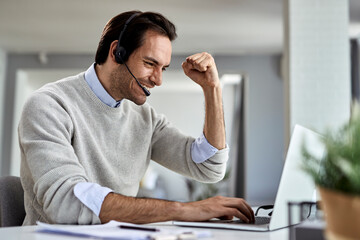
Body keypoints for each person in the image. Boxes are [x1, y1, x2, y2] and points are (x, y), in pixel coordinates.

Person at [18, 10, 254, 225]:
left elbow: (209, 167)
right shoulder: (49, 105)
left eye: (163, 68)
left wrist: (212, 89)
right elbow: (66, 203)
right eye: (150, 63)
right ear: (116, 53)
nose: (158, 80)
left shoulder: (145, 120)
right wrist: (183, 210)